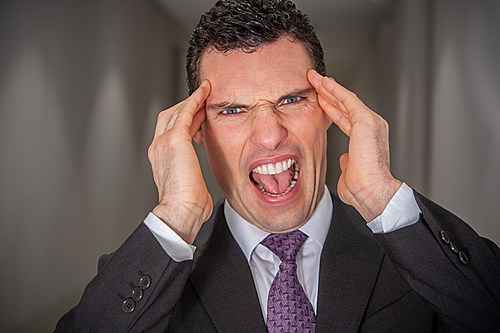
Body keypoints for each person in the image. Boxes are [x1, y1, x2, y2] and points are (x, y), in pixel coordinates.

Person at [55, 0, 500, 332]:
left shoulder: (414, 254)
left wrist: (381, 197)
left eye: (291, 100)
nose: (269, 135)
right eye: (232, 110)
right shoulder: (151, 274)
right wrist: (177, 216)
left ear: (328, 109)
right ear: (198, 133)